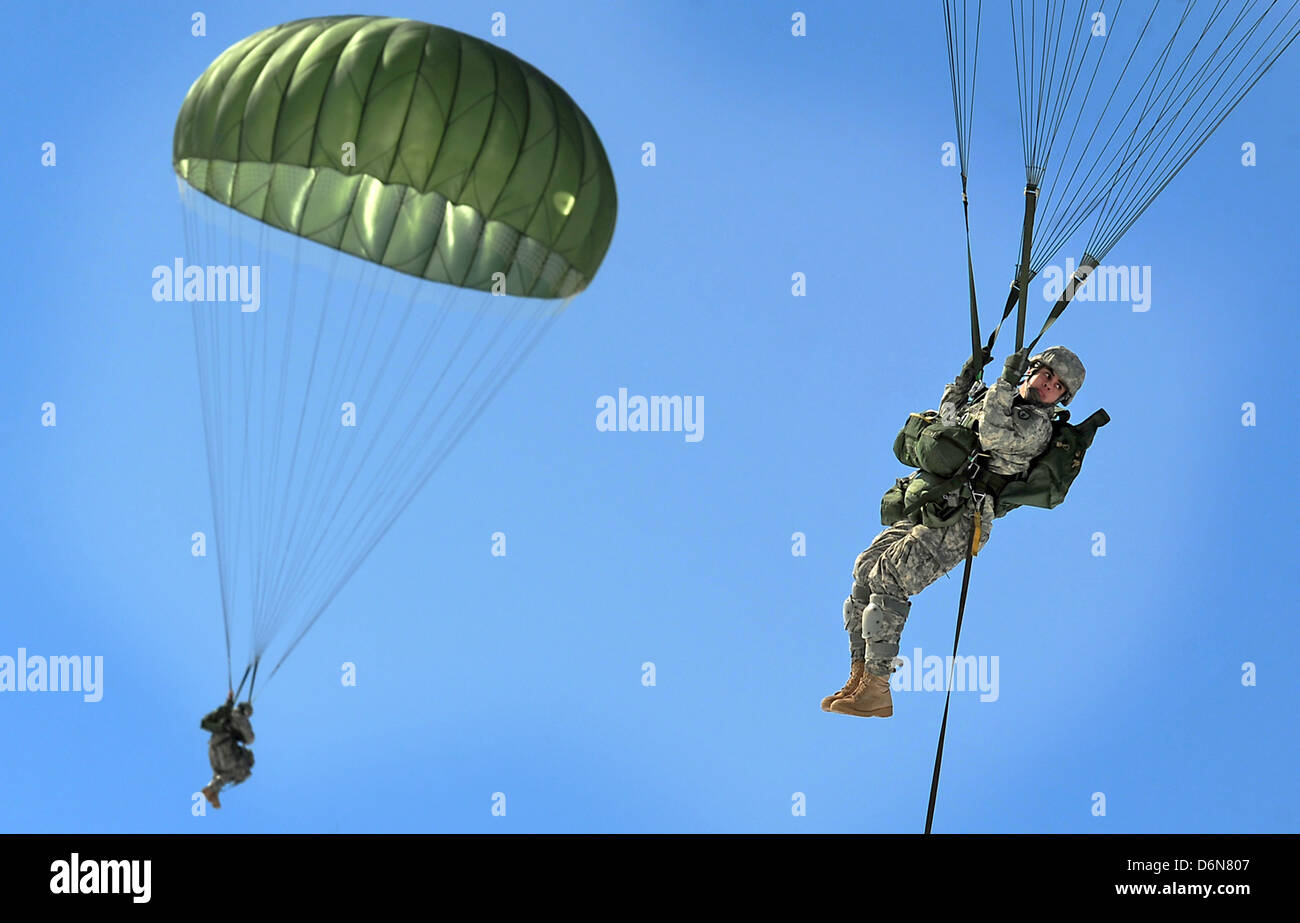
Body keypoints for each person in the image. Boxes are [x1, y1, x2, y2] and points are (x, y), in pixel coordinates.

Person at [823, 345, 1086, 717]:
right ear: (1033, 370)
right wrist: (967, 378)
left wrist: (1005, 383)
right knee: (865, 570)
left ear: (1060, 399)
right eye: (1047, 374)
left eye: (1057, 386)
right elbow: (950, 417)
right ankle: (860, 675)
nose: (1048, 385)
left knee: (889, 577)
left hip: (965, 518)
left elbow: (993, 435)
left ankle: (877, 689)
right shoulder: (994, 398)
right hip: (936, 500)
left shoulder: (1035, 426)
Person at [199, 692, 255, 808]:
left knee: (220, 772)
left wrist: (228, 702)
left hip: (213, 746)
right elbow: (250, 739)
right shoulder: (240, 718)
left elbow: (220, 712)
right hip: (224, 747)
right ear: (246, 712)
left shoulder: (227, 713)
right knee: (237, 770)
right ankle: (211, 789)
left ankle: (214, 791)